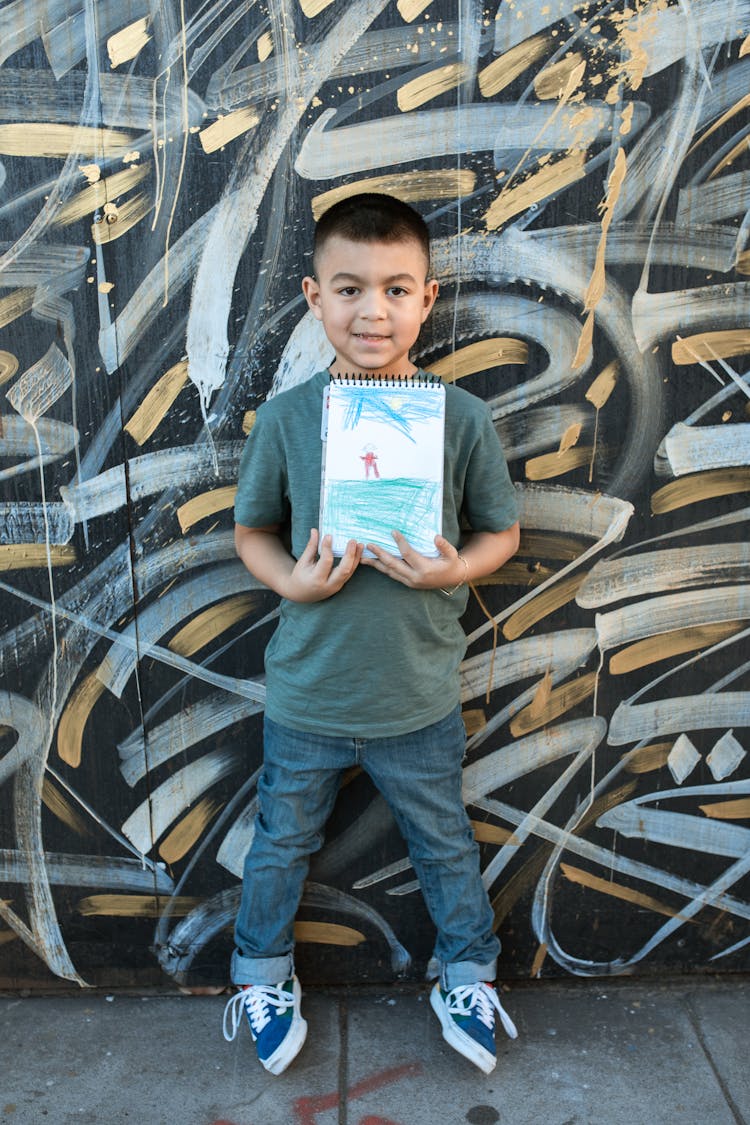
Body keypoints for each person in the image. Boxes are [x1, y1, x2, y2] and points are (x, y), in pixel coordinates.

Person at [222, 193, 520, 1077]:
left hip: (416, 694)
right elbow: (252, 531)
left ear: (427, 300)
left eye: (396, 290)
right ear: (316, 299)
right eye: (349, 289)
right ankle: (262, 976)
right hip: (310, 691)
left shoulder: (459, 420)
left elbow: (499, 531)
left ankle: (466, 972)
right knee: (281, 840)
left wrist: (453, 570)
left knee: (444, 844)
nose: (372, 311)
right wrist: (291, 579)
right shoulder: (285, 420)